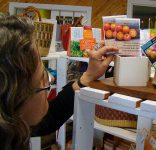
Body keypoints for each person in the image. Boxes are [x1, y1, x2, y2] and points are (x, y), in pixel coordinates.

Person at [0, 15, 118, 149]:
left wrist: (88, 76)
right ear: (14, 98)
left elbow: (50, 118)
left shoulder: (13, 127)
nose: (50, 79)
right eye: (42, 78)